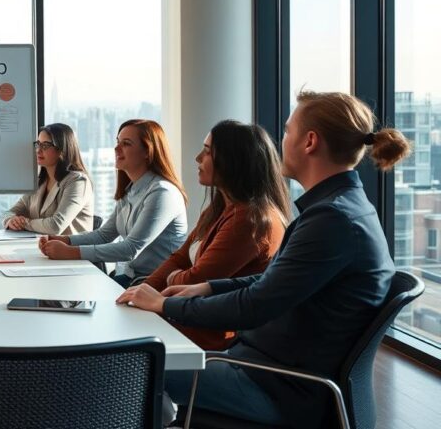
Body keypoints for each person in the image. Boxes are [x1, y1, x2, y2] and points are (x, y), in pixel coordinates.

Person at [117, 91, 411, 428]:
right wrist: (209, 287)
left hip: (277, 387)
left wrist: (165, 306)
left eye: (287, 131)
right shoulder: (338, 208)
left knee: (133, 370)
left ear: (310, 141)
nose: (281, 140)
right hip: (263, 368)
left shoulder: (333, 220)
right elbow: (273, 282)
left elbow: (255, 306)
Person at [139, 120, 289, 350]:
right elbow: (179, 258)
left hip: (209, 338)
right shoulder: (220, 208)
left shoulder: (250, 219)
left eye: (207, 151)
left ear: (232, 161)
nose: (198, 158)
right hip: (185, 321)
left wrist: (171, 279)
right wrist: (143, 291)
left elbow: (195, 280)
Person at [38, 119, 188, 287]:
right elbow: (104, 235)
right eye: (118, 142)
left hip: (155, 284)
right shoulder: (131, 190)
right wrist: (64, 240)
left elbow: (131, 249)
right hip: (131, 278)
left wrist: (71, 252)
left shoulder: (162, 192)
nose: (116, 148)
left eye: (126, 144)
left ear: (147, 151)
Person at [1, 123, 94, 236]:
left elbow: (56, 226)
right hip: (40, 248)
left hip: (70, 251)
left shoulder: (78, 182)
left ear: (61, 150)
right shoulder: (40, 181)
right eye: (38, 144)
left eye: (45, 145)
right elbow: (9, 212)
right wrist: (11, 220)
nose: (38, 150)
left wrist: (25, 223)